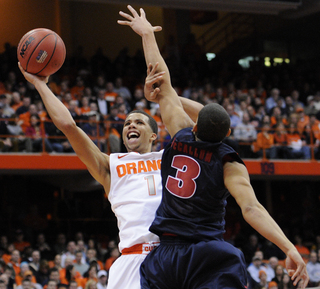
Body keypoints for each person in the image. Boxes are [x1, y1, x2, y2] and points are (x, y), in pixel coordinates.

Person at [117, 5, 309, 289]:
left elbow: (162, 78)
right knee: (231, 258)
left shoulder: (181, 135)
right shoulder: (227, 161)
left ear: (195, 126)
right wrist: (289, 248)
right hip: (206, 255)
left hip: (163, 258)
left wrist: (146, 34)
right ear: (226, 135)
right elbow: (252, 209)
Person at [18, 51, 202, 289]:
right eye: (127, 123)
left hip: (176, 254)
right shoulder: (110, 164)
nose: (131, 125)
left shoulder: (172, 156)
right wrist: (40, 85)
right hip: (133, 259)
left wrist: (164, 97)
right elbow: (69, 126)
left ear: (154, 135)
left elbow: (213, 120)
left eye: (138, 122)